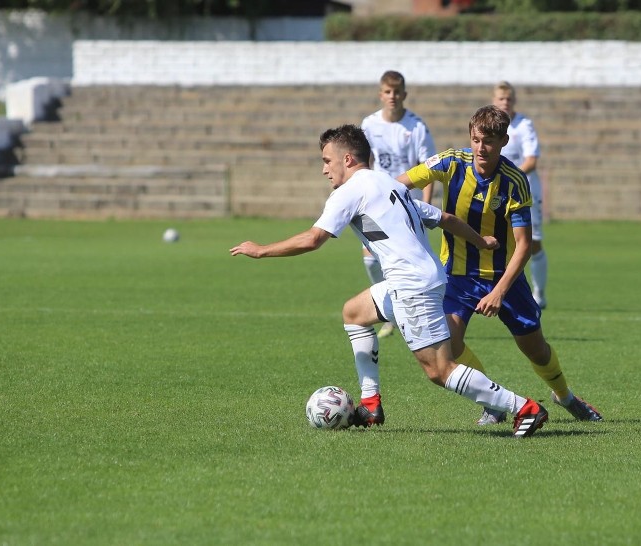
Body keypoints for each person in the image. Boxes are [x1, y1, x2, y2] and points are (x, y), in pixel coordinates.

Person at [229, 123, 548, 438]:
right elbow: (444, 218)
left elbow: (313, 239)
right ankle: (370, 403)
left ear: (348, 160)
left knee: (439, 370)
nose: (325, 170)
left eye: (327, 161)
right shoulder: (390, 185)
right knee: (354, 313)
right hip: (419, 277)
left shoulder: (350, 191)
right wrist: (481, 241)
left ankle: (523, 407)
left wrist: (261, 251)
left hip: (412, 285)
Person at [397, 106, 602, 426]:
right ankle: (492, 401)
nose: (481, 147)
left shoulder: (514, 182)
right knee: (448, 345)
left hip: (503, 277)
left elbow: (523, 246)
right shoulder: (451, 162)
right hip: (457, 276)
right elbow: (400, 185)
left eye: (489, 141)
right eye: (477, 140)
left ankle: (565, 397)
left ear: (504, 141)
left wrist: (499, 292)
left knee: (536, 350)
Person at [360, 70, 437, 339]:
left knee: (413, 262)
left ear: (404, 94)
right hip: (378, 206)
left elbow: (429, 169)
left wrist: (426, 208)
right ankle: (390, 310)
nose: (392, 97)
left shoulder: (416, 127)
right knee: (371, 261)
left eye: (397, 92)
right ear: (381, 94)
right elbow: (364, 164)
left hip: (408, 207)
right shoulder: (368, 125)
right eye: (387, 92)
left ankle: (423, 312)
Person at [492, 81, 548, 309]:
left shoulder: (523, 125)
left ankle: (539, 293)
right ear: (494, 100)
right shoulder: (489, 125)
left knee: (532, 242)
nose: (505, 102)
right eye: (501, 99)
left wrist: (508, 177)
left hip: (525, 191)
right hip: (496, 191)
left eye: (509, 99)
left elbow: (531, 160)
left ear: (513, 101)